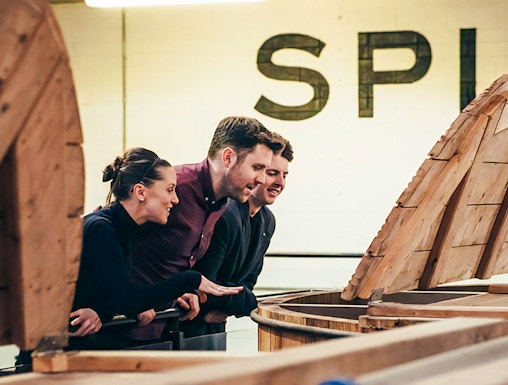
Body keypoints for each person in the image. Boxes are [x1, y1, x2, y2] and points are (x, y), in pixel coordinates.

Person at [68, 147, 243, 350]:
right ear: (140, 192)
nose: (175, 200)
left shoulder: (120, 229)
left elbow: (117, 293)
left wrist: (164, 300)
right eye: (169, 190)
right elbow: (126, 299)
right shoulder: (102, 229)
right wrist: (189, 280)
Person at [127, 117, 283, 340]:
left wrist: (177, 294)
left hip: (161, 330)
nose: (261, 179)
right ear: (228, 158)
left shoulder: (217, 204)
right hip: (120, 330)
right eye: (257, 168)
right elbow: (104, 230)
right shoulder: (177, 186)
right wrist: (120, 301)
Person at [182, 136, 293, 337]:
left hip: (216, 326)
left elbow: (249, 280)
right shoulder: (225, 214)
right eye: (272, 173)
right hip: (187, 325)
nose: (280, 182)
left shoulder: (267, 220)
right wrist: (246, 302)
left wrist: (229, 305)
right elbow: (208, 284)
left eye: (285, 175)